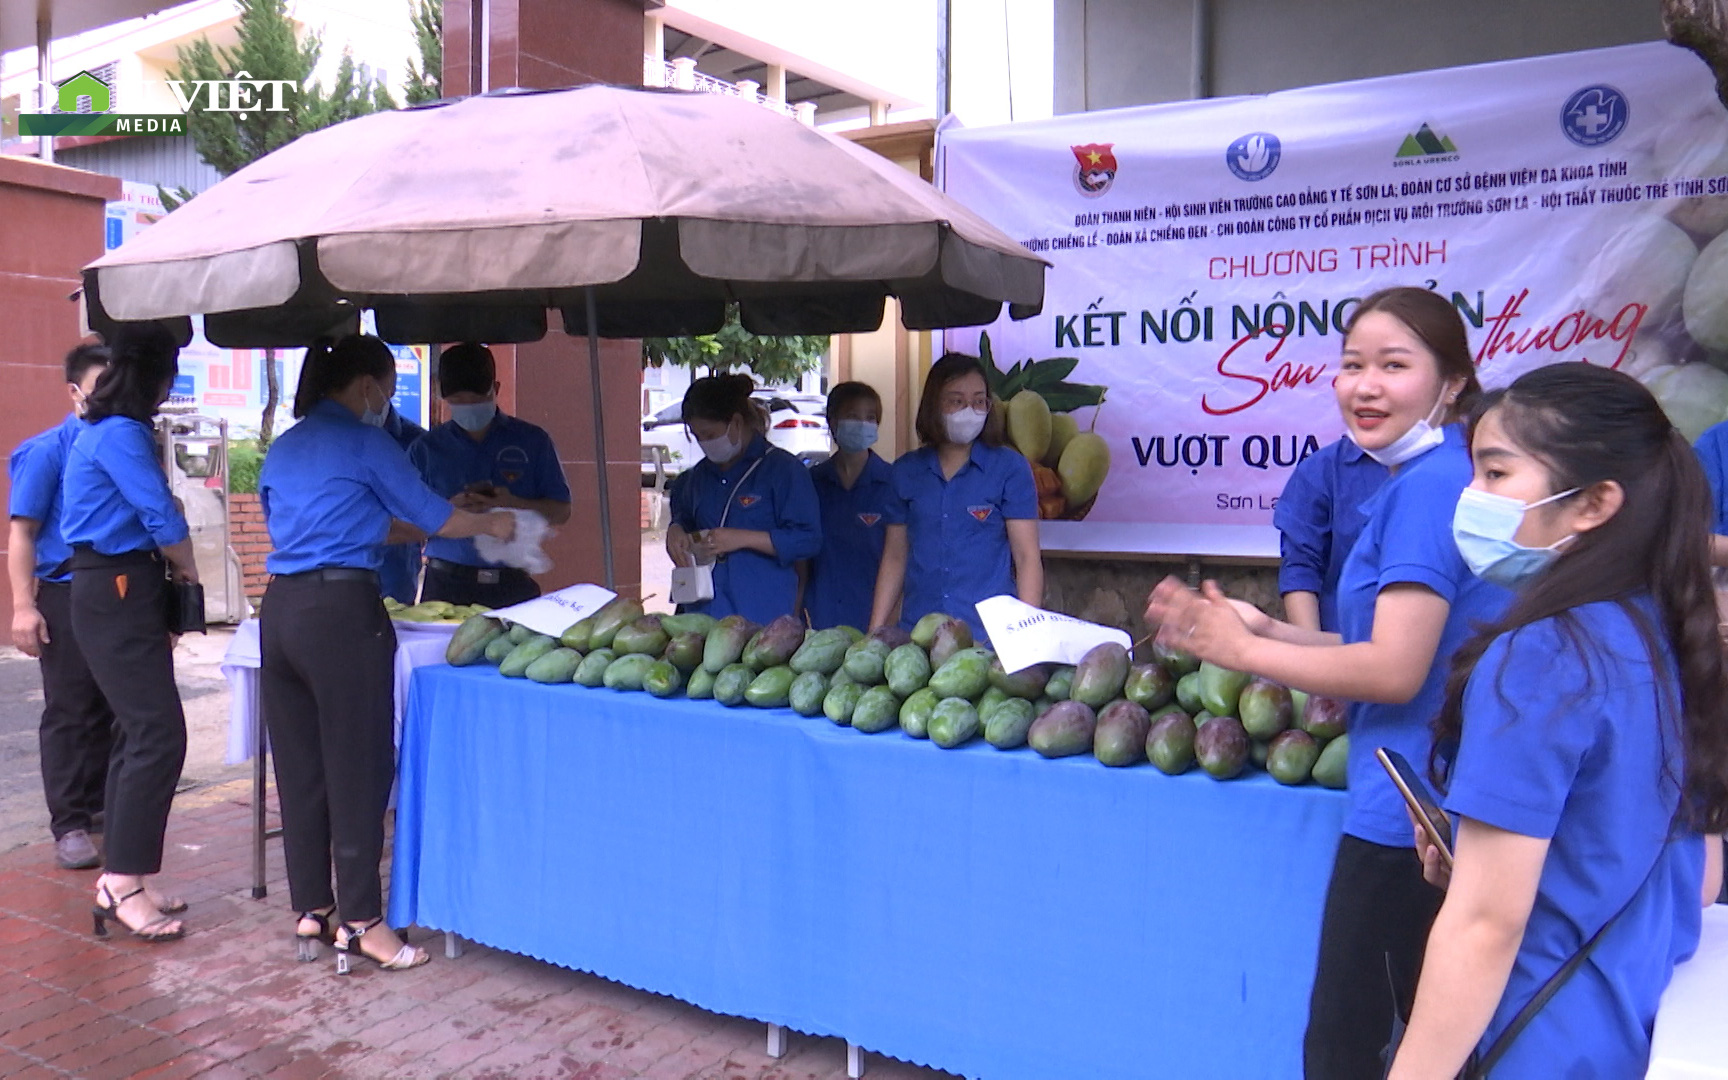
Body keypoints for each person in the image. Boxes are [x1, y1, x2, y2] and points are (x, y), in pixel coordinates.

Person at [1144, 287, 1511, 1080]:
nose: (1364, 385)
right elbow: (1398, 643)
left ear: (1452, 383)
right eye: (1350, 365)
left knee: (1351, 1050)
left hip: (1408, 816)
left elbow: (1393, 669)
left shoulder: (1426, 489)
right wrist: (1266, 628)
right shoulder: (1439, 476)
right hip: (1433, 803)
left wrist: (1241, 654)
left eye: (1393, 365)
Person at [1387, 363, 1728, 1079]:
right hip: (1636, 1029)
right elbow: (1696, 876)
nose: (1471, 498)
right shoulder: (1673, 635)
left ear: (1595, 502)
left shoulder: (1543, 654)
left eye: (1496, 473)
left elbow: (1485, 926)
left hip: (1535, 1043)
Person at [259, 334, 515, 973]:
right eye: (387, 384)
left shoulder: (286, 447)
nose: (388, 398)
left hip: (280, 612)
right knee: (359, 766)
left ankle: (312, 909)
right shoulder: (368, 441)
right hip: (341, 613)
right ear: (368, 386)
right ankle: (367, 924)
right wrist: (488, 523)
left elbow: (355, 520)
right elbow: (433, 520)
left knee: (301, 767)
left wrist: (442, 512)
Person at [60, 323, 198, 942]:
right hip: (115, 585)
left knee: (134, 735)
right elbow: (160, 516)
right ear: (154, 378)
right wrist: (189, 568)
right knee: (156, 734)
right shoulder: (119, 435)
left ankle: (125, 877)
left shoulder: (108, 430)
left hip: (118, 586)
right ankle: (121, 884)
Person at [9, 343, 116, 871]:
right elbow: (23, 533)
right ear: (75, 392)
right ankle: (68, 823)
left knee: (112, 706)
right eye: (101, 388)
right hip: (66, 590)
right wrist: (23, 606)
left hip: (115, 591)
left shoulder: (120, 444)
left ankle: (97, 805)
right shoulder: (48, 450)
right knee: (71, 709)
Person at [869, 352, 1042, 642]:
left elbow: (1026, 558)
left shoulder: (1009, 468)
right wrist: (874, 633)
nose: (969, 410)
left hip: (988, 639)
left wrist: (1027, 636)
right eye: (956, 401)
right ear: (933, 405)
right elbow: (895, 557)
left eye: (978, 401)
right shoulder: (905, 472)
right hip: (919, 636)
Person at [409, 342, 570, 608]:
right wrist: (447, 511)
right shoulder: (425, 450)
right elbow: (399, 525)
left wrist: (513, 503)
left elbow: (562, 512)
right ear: (441, 393)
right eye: (458, 402)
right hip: (446, 585)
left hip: (512, 584)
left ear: (495, 390)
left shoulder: (532, 441)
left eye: (477, 400)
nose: (468, 408)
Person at [665, 374, 821, 624]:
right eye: (697, 437)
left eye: (710, 434)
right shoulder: (696, 477)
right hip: (702, 615)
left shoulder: (783, 471)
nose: (704, 443)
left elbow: (808, 539)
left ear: (736, 423)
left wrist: (742, 539)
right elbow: (683, 515)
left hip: (761, 617)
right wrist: (676, 531)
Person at [802, 382, 898, 631]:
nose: (862, 424)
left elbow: (901, 559)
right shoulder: (812, 483)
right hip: (821, 618)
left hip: (877, 620)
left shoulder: (893, 483)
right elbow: (801, 559)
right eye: (853, 416)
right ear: (832, 421)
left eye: (871, 418)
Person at [1273, 436, 1388, 632]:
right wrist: (1312, 653)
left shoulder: (1451, 467)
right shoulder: (1322, 469)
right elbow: (1301, 567)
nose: (1368, 403)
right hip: (1341, 646)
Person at [376, 393, 428, 605]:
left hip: (395, 574)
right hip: (332, 576)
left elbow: (433, 509)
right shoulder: (325, 438)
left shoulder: (418, 443)